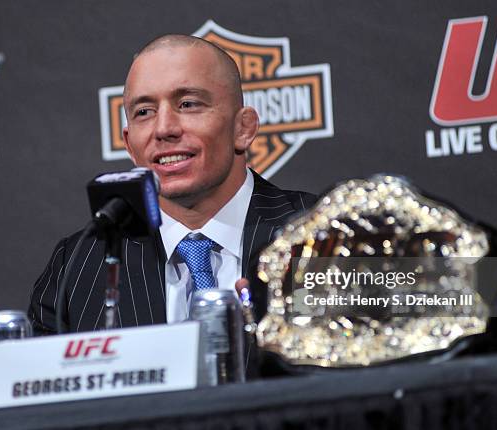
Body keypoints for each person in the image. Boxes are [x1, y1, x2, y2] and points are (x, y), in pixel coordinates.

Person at [28, 34, 316, 335]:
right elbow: (19, 380)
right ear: (129, 143)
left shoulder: (326, 238)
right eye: (144, 112)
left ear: (243, 128)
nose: (164, 129)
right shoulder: (79, 266)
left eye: (188, 104)